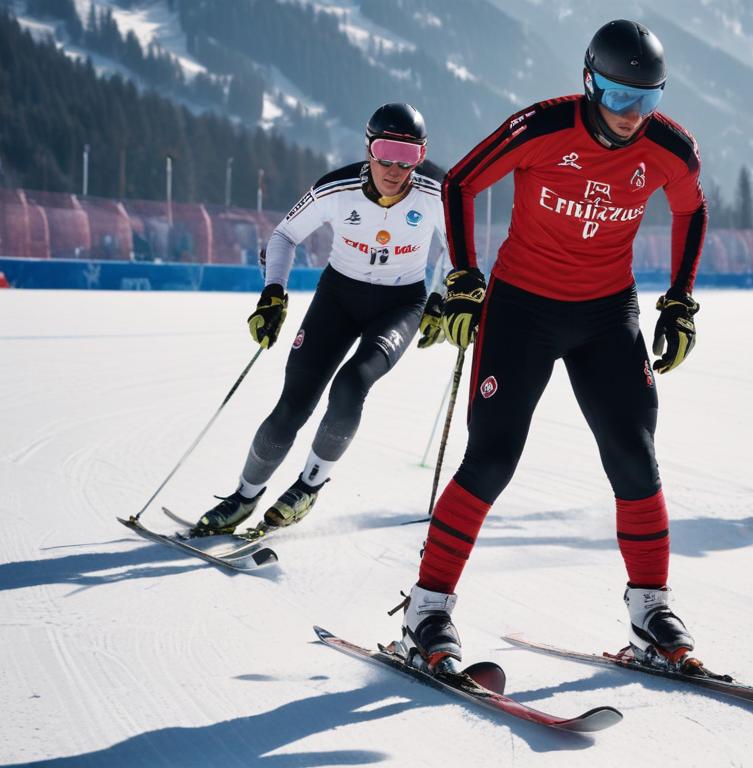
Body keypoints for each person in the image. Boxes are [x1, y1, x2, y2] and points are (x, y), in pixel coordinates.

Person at [402, 19, 707, 674]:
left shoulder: (671, 149)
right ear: (590, 83)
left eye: (647, 100)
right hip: (522, 311)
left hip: (606, 315)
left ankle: (651, 611)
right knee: (491, 459)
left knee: (635, 456)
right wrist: (463, 278)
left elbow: (691, 209)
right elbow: (459, 183)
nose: (633, 117)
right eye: (621, 98)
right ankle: (426, 611)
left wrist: (679, 298)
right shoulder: (541, 128)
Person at [192, 103, 448, 536]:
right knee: (293, 404)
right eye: (385, 151)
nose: (394, 167)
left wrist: (443, 296)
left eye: (408, 156)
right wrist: (274, 292)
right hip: (339, 297)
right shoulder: (337, 188)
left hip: (401, 304)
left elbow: (458, 246)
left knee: (351, 385)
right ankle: (244, 497)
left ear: (421, 156)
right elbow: (285, 235)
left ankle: (308, 486)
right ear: (368, 148)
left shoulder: (436, 191)